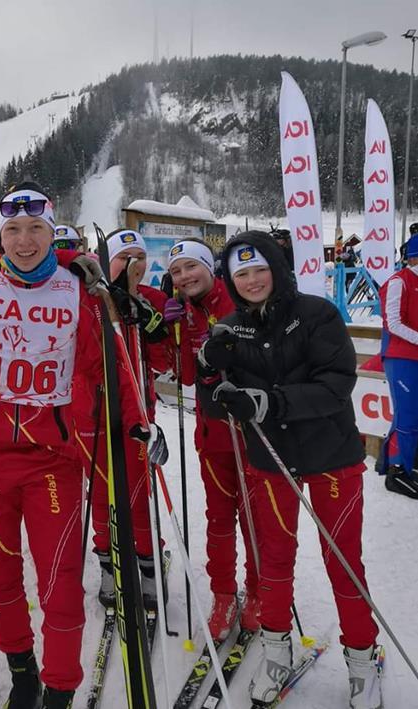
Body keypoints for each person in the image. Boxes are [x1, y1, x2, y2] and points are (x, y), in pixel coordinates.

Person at [0, 183, 141, 709]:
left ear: (50, 230)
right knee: (1, 577)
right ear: (0, 235)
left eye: (36, 228)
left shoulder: (77, 291)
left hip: (52, 459)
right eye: (13, 229)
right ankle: (23, 673)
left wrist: (136, 424)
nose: (25, 240)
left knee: (59, 581)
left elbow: (110, 365)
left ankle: (60, 687)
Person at [197, 231, 382, 709]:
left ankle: (363, 660)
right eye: (242, 274)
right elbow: (214, 405)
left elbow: (336, 386)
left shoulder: (317, 314)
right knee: (274, 564)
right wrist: (207, 371)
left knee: (343, 563)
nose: (253, 281)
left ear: (278, 269)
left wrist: (268, 401)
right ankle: (277, 650)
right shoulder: (230, 327)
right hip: (272, 464)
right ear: (231, 281)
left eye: (260, 269)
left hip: (331, 460)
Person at [163, 239, 258, 641]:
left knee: (257, 521)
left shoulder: (240, 300)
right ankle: (223, 594)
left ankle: (258, 592)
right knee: (218, 521)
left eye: (191, 267)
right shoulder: (184, 313)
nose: (185, 277)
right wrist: (173, 334)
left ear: (209, 267)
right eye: (177, 271)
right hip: (211, 436)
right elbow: (185, 376)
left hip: (253, 436)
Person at [88, 228, 172, 610]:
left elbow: (168, 364)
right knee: (104, 492)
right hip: (99, 412)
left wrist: (156, 331)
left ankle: (149, 564)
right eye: (125, 258)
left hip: (140, 412)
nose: (135, 265)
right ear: (108, 261)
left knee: (140, 494)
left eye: (140, 257)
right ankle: (108, 563)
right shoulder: (91, 298)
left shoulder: (153, 298)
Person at [377, 232, 418, 498]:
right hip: (401, 356)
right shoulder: (398, 281)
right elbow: (393, 322)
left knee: (413, 414)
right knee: (407, 415)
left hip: (413, 356)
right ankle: (397, 470)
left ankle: (404, 464)